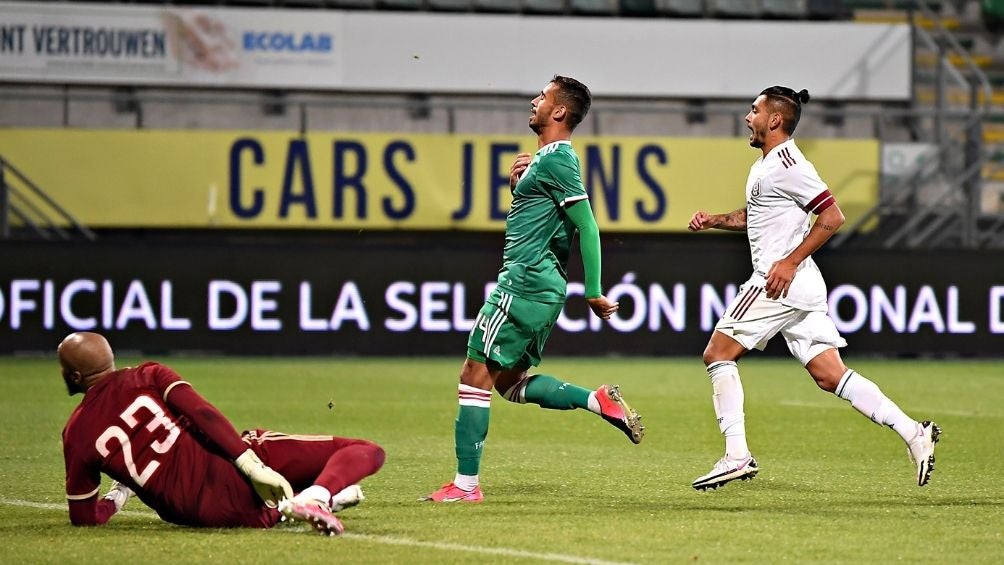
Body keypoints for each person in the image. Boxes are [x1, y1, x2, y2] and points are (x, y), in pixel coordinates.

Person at [687, 86, 941, 491]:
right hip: (800, 283)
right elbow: (757, 215)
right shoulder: (766, 164)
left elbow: (832, 215)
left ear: (774, 120)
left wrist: (787, 262)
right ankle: (914, 433)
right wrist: (716, 219)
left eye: (754, 110)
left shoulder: (789, 163)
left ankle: (737, 455)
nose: (747, 117)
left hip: (778, 281)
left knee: (717, 353)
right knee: (829, 374)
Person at [422, 75, 644, 503]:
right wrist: (520, 187)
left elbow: (588, 226)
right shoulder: (544, 163)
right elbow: (546, 221)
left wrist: (594, 289)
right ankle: (597, 400)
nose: (534, 101)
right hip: (540, 289)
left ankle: (465, 486)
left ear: (559, 111)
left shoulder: (559, 160)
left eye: (542, 97)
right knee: (509, 383)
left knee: (474, 377)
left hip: (523, 283)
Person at [58, 331, 384, 535]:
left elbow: (83, 518)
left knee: (262, 507)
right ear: (111, 359)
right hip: (231, 472)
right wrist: (252, 465)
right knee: (365, 450)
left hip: (202, 515)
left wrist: (116, 499)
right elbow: (203, 414)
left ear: (74, 375)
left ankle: (305, 501)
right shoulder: (147, 375)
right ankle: (318, 495)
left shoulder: (76, 433)